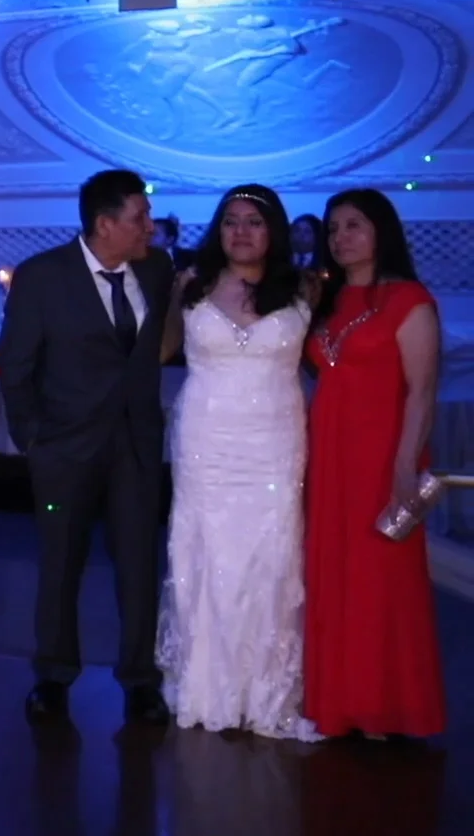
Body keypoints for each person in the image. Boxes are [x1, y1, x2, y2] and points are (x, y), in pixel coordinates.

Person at [0, 169, 173, 725]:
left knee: (139, 566)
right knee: (60, 565)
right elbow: (16, 367)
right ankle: (53, 676)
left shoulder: (158, 269)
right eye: (140, 218)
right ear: (105, 224)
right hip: (64, 451)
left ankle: (140, 681)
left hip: (136, 446)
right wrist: (34, 440)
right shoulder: (42, 277)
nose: (150, 227)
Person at [155, 185, 318, 740]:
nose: (241, 232)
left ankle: (265, 688)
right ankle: (205, 684)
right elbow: (161, 350)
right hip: (206, 439)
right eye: (230, 221)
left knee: (270, 555)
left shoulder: (305, 287)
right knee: (206, 550)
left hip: (274, 440)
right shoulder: (191, 284)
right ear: (217, 230)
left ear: (273, 230)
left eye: (254, 221)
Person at [303, 189, 445, 739]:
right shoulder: (328, 299)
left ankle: (385, 708)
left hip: (382, 458)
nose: (341, 237)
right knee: (334, 575)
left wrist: (405, 466)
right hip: (330, 458)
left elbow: (422, 392)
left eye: (354, 225)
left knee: (380, 583)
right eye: (333, 228)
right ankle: (339, 704)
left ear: (380, 230)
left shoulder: (409, 300)